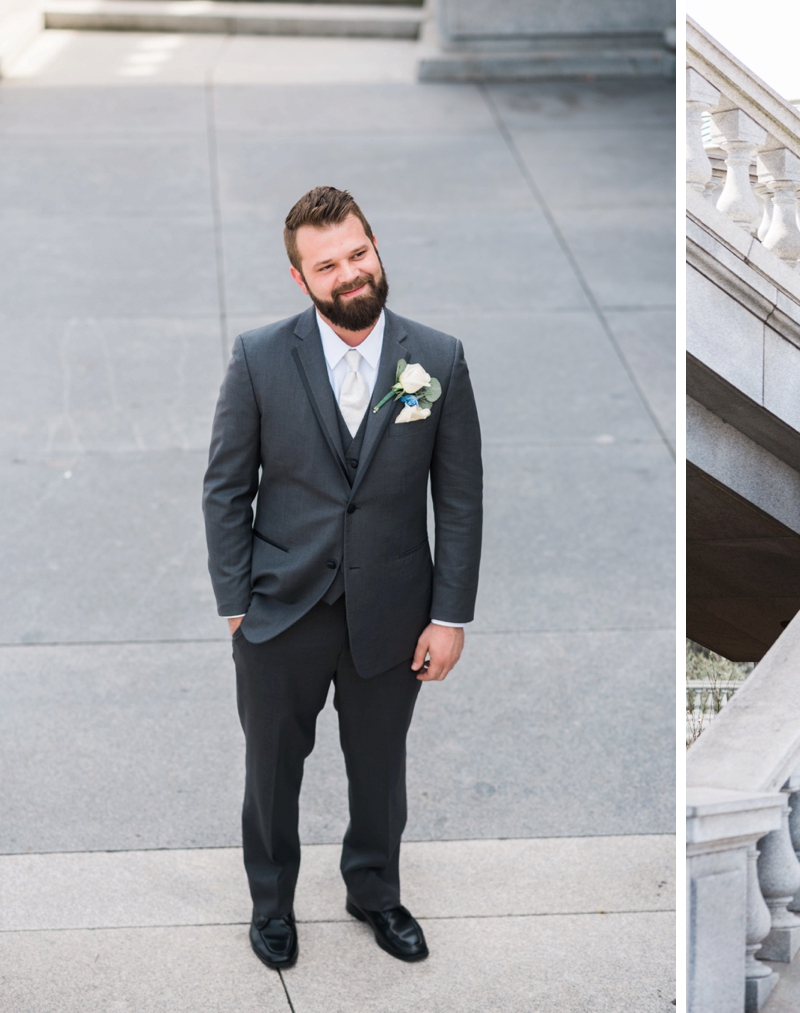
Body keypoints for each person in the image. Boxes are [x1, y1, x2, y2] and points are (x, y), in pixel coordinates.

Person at [202, 186, 483, 969]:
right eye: (329, 265)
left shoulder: (440, 358)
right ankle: (272, 902)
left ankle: (374, 890)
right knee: (270, 772)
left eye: (359, 253)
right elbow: (226, 486)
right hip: (280, 610)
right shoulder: (260, 357)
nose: (350, 274)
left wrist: (450, 615)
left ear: (376, 249)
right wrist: (237, 607)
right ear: (301, 279)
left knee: (380, 768)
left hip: (394, 613)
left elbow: (458, 499)